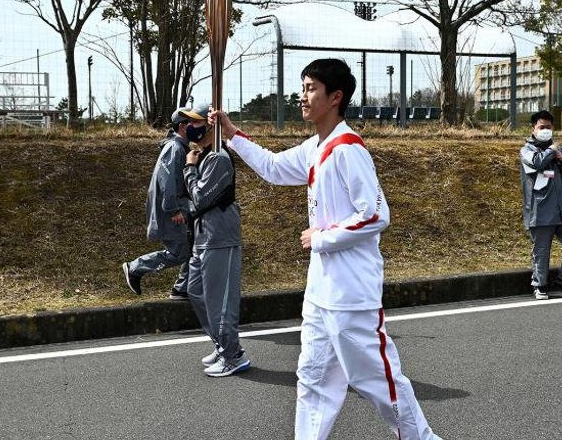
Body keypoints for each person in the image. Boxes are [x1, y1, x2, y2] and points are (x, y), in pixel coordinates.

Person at [210, 59, 443, 440]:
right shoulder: (315, 148)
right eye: (302, 88)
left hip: (351, 293)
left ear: (335, 97)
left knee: (379, 383)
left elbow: (375, 214)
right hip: (320, 292)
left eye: (311, 89)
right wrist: (233, 134)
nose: (303, 97)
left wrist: (321, 238)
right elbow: (272, 167)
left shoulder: (349, 149)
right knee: (314, 378)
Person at [180, 104, 250, 378]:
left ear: (210, 126)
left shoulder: (218, 159)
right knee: (196, 292)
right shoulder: (205, 156)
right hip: (203, 237)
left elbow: (200, 198)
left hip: (220, 237)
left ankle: (233, 356)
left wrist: (189, 169)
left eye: (196, 122)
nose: (190, 128)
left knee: (220, 301)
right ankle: (223, 345)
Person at [122, 107, 192, 300]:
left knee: (191, 247)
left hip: (179, 208)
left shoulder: (179, 147)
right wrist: (174, 209)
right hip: (173, 211)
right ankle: (135, 268)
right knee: (179, 252)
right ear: (183, 126)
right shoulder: (175, 148)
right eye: (192, 123)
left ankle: (182, 289)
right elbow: (167, 182)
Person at [519, 110, 562, 300]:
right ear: (533, 129)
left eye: (548, 127)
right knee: (541, 251)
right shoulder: (527, 150)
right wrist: (551, 151)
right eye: (542, 127)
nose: (546, 130)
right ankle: (539, 284)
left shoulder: (559, 149)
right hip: (540, 210)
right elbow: (537, 163)